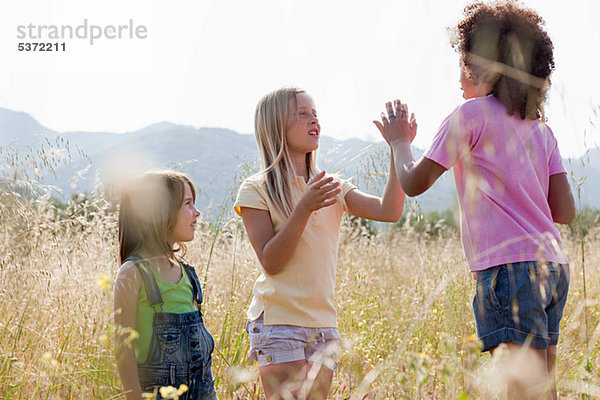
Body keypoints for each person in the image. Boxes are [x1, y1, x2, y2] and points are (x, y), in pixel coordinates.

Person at [376, 2, 575, 399]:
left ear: (481, 65)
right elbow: (565, 211)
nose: (460, 76)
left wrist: (399, 143)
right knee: (541, 386)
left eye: (464, 63)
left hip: (508, 270)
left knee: (522, 389)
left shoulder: (470, 115)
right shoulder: (541, 130)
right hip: (553, 266)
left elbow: (414, 183)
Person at [234, 87, 405, 399]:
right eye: (302, 114)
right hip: (279, 323)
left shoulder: (332, 186)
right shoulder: (256, 189)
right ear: (275, 125)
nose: (314, 121)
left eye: (315, 114)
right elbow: (271, 263)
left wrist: (397, 147)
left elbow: (389, 211)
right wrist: (304, 207)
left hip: (324, 325)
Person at [114, 171, 218, 400]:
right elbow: (124, 349)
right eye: (188, 204)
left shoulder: (188, 274)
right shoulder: (133, 273)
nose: (197, 213)